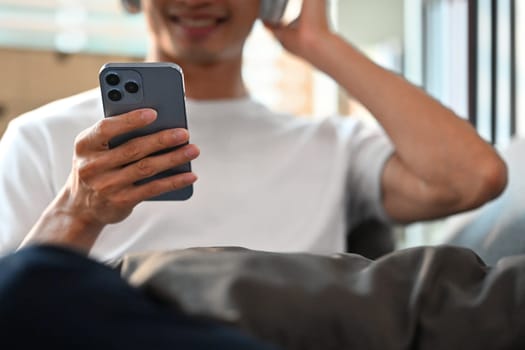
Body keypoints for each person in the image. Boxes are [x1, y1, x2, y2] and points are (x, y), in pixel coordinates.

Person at [0, 0, 507, 260]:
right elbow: (14, 312)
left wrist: (317, 41)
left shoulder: (331, 146)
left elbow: (475, 177)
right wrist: (78, 212)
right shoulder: (43, 139)